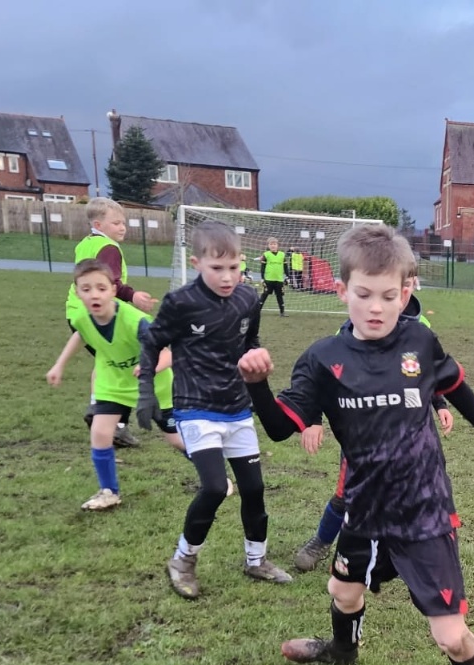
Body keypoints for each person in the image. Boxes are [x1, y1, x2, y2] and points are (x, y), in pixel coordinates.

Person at [254, 225, 474, 665]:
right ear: (342, 291)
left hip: (424, 512)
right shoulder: (323, 359)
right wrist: (256, 385)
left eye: (387, 296)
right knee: (342, 592)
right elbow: (277, 427)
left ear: (405, 292)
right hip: (364, 509)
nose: (376, 308)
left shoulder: (419, 340)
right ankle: (342, 650)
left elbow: (455, 384)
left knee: (450, 634)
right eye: (363, 295)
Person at [139, 221, 292, 596]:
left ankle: (256, 560)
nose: (227, 277)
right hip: (195, 409)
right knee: (213, 487)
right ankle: (183, 560)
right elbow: (152, 343)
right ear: (196, 263)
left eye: (234, 267)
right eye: (217, 268)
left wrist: (256, 357)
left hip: (237, 408)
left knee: (253, 488)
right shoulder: (181, 303)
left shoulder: (248, 298)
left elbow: (250, 338)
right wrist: (145, 393)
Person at [291, 268, 449, 574]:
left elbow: (427, 370)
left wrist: (439, 402)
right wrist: (313, 419)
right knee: (347, 493)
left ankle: (406, 546)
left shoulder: (421, 328)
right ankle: (322, 541)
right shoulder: (350, 330)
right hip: (362, 433)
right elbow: (323, 378)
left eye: (405, 285)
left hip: (407, 434)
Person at [46, 259, 179, 511]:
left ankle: (214, 476)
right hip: (113, 384)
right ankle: (109, 491)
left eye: (101, 288)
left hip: (153, 387)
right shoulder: (82, 317)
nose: (94, 295)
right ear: (77, 292)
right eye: (86, 289)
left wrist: (150, 368)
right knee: (100, 432)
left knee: (176, 440)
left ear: (113, 290)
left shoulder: (136, 321)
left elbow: (169, 354)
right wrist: (59, 365)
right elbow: (80, 334)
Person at [67, 199, 155, 450]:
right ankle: (116, 423)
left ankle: (97, 408)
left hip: (77, 313)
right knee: (126, 365)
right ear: (98, 225)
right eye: (116, 223)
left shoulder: (86, 243)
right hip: (99, 315)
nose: (122, 227)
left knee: (106, 361)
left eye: (123, 222)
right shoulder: (109, 247)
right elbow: (112, 281)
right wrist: (133, 296)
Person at [259, 237, 288, 316]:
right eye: (271, 244)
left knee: (279, 296)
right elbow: (262, 267)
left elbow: (285, 267)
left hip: (279, 279)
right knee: (264, 295)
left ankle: (282, 312)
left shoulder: (282, 254)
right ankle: (257, 311)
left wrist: (287, 276)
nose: (273, 246)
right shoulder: (266, 254)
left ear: (277, 245)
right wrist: (262, 278)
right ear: (268, 245)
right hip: (268, 279)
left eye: (274, 244)